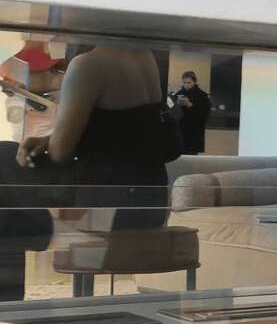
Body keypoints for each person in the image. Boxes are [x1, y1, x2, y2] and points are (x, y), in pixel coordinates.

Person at [17, 43, 177, 232]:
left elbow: (60, 152)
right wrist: (49, 139)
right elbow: (125, 130)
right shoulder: (143, 53)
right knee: (138, 249)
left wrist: (54, 140)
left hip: (109, 198)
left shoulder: (87, 64)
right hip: (152, 191)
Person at [168, 70, 211, 155]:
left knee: (192, 155)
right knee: (179, 154)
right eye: (184, 82)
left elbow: (205, 114)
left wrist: (190, 105)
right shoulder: (177, 94)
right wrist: (177, 105)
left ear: (194, 82)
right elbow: (171, 115)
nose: (186, 85)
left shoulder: (202, 96)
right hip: (180, 130)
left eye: (189, 83)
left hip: (194, 131)